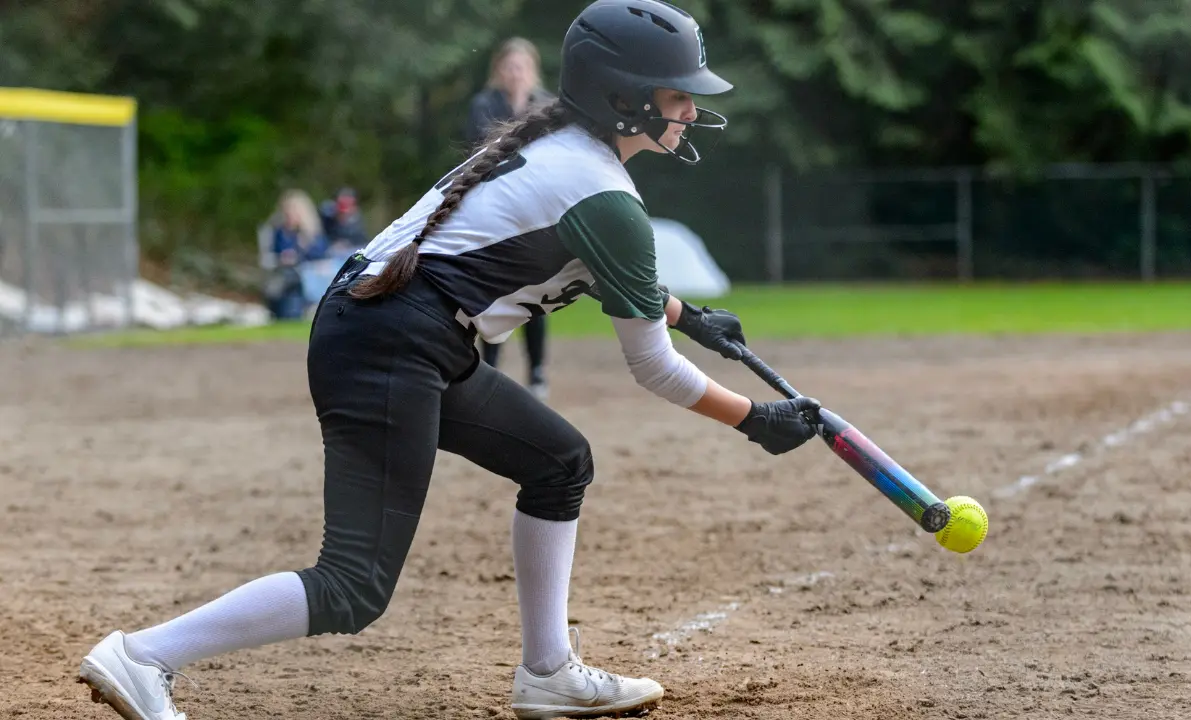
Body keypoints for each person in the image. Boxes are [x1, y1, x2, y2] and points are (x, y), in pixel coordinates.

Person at [75, 2, 823, 719]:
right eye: (677, 94)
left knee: (559, 462)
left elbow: (590, 266)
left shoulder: (560, 147)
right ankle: (143, 655)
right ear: (624, 96)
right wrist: (752, 418)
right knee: (354, 585)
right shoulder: (605, 195)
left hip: (397, 332)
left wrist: (688, 315)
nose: (691, 109)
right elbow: (652, 368)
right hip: (392, 341)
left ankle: (548, 673)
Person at [466, 36, 557, 401]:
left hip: (534, 211)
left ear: (532, 70)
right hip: (495, 208)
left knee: (534, 290)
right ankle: (489, 367)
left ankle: (536, 370)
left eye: (521, 66)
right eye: (509, 66)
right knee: (492, 291)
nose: (515, 73)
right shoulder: (483, 105)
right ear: (498, 70)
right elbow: (480, 152)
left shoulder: (547, 105)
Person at [263, 189, 330, 320]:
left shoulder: (313, 235)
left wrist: (302, 247)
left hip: (307, 278)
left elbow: (321, 256)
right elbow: (273, 253)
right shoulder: (280, 232)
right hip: (284, 275)